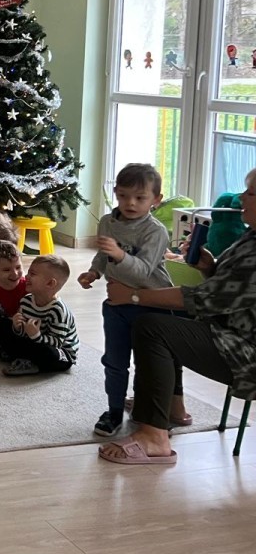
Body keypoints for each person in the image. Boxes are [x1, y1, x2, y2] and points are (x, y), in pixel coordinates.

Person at [100, 167, 256, 466]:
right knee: (166, 318)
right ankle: (173, 408)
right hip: (228, 332)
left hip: (245, 352)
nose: (240, 198)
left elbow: (202, 300)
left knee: (153, 326)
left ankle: (154, 437)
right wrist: (209, 267)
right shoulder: (252, 237)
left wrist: (133, 296)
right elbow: (229, 291)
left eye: (249, 193)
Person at [79, 163, 190, 437]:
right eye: (123, 196)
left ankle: (148, 411)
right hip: (117, 304)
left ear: (156, 200)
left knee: (148, 364)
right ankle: (114, 410)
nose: (130, 203)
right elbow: (103, 254)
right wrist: (94, 272)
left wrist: (119, 254)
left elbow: (142, 271)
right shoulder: (108, 222)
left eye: (140, 198)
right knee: (114, 361)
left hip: (152, 306)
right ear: (115, 193)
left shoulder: (155, 231)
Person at [0, 254, 79, 376]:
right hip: (33, 341)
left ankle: (28, 361)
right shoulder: (26, 301)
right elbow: (24, 332)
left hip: (60, 352)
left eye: (32, 274)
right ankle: (20, 355)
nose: (26, 276)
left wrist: (36, 335)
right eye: (28, 272)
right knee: (3, 324)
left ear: (50, 283)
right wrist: (17, 327)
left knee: (49, 353)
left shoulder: (58, 311)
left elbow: (57, 342)